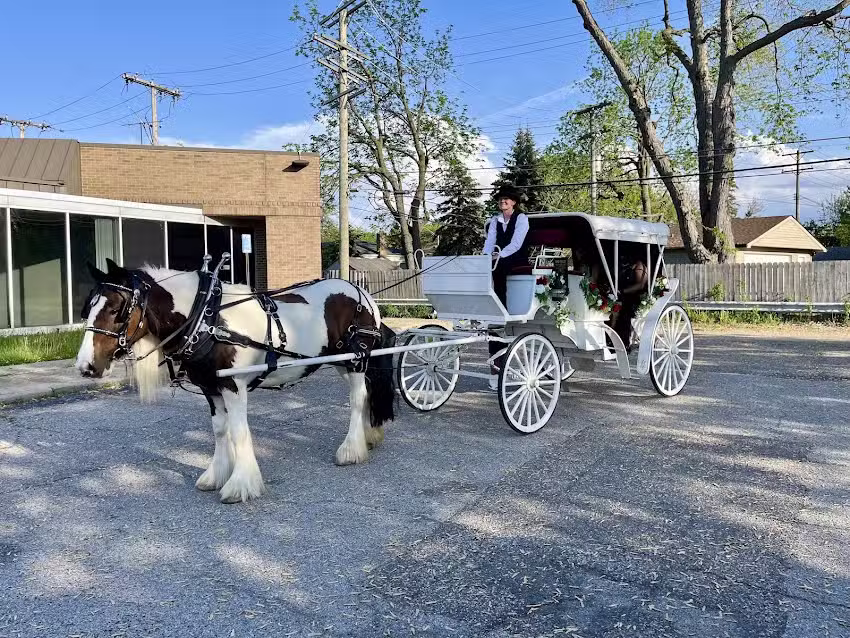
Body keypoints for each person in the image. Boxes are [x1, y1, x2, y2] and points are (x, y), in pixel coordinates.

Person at [482, 184, 530, 390]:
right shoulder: (495, 220)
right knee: (484, 265)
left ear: (514, 202)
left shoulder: (522, 219)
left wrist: (498, 256)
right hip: (499, 257)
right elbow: (490, 242)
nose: (503, 201)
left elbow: (517, 243)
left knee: (497, 266)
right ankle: (488, 302)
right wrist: (485, 257)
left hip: (515, 257)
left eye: (507, 199)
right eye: (501, 199)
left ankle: (499, 304)